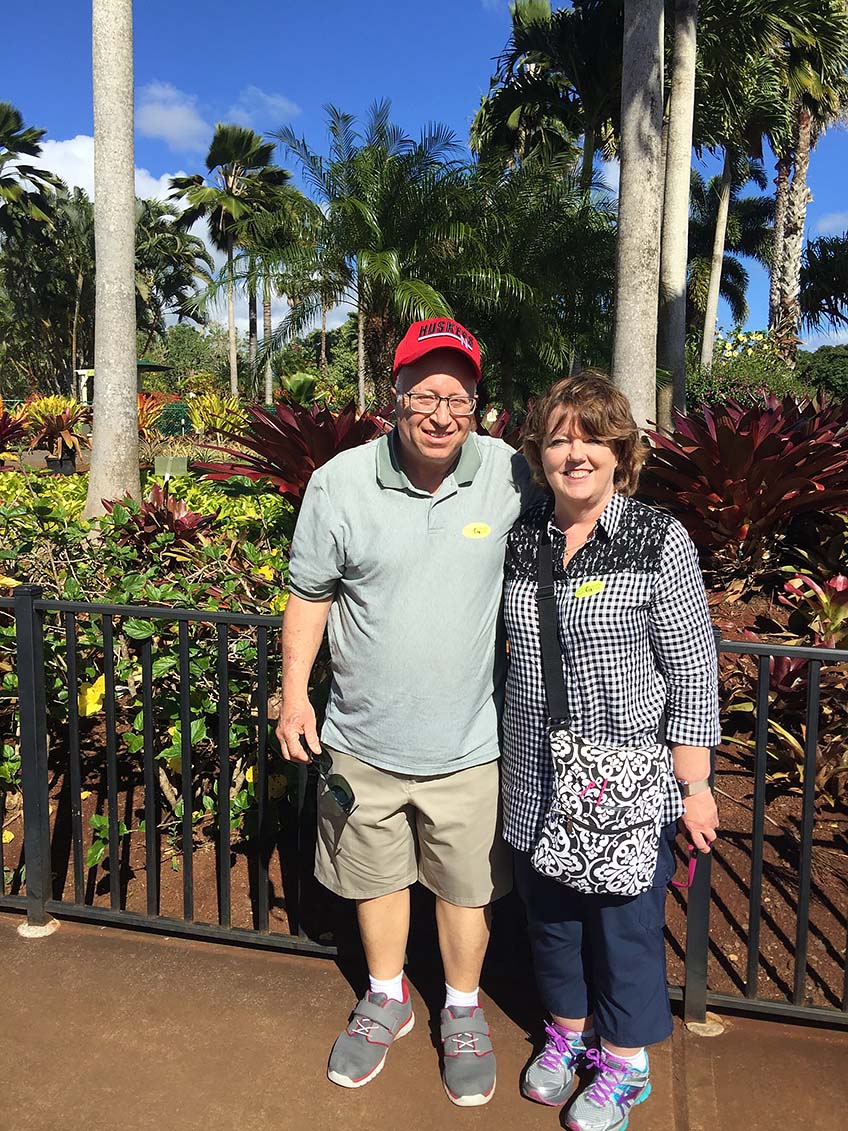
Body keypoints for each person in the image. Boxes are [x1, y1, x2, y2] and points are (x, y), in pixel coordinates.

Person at [276, 318, 536, 1107]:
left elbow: (584, 503)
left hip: (470, 745)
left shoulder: (510, 474)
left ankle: (461, 1010)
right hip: (362, 739)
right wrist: (294, 694)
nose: (440, 412)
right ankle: (384, 994)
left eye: (458, 396)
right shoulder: (341, 483)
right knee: (376, 877)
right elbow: (309, 594)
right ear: (395, 396)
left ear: (479, 406)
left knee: (466, 889)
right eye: (424, 392)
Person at [501, 372, 720, 1131]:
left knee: (623, 926)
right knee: (551, 920)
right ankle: (567, 1033)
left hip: (624, 783)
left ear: (620, 452)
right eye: (559, 437)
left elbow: (693, 666)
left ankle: (625, 1061)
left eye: (592, 436)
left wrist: (694, 786)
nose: (575, 452)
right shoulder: (523, 537)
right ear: (539, 453)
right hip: (534, 774)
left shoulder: (659, 539)